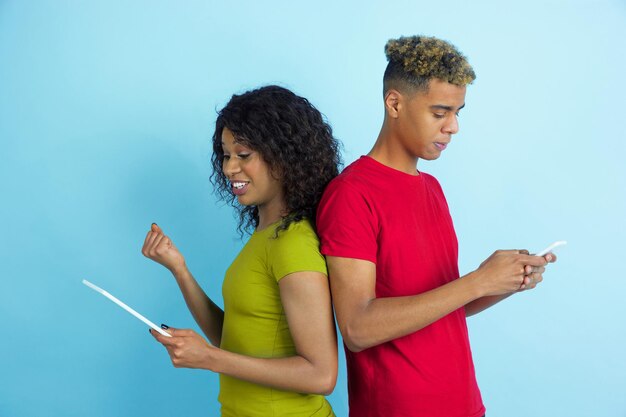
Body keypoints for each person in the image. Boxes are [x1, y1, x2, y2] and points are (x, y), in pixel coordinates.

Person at [316, 35, 557, 417]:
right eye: (440, 112)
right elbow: (357, 327)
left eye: (459, 112)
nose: (454, 127)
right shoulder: (351, 194)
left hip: (463, 404)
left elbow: (441, 307)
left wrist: (501, 281)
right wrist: (476, 281)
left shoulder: (432, 188)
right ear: (394, 102)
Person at [142, 85, 341, 416]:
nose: (229, 168)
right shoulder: (267, 236)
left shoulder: (294, 244)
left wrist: (208, 358)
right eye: (225, 154)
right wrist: (179, 270)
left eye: (243, 155)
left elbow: (322, 374)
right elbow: (230, 341)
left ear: (284, 157)